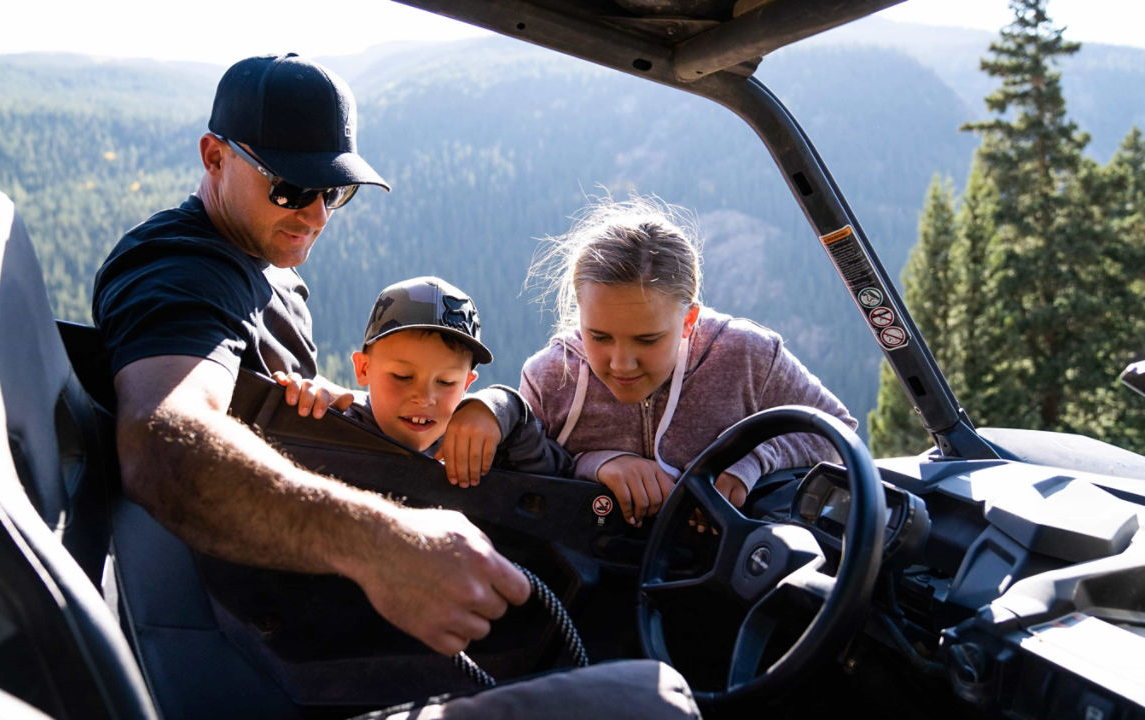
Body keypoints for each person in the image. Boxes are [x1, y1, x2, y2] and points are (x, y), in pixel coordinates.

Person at [92, 54, 699, 717]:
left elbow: (252, 403)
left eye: (334, 192)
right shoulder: (181, 271)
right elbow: (164, 441)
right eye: (290, 189)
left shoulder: (268, 266)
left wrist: (329, 407)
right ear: (214, 157)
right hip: (282, 660)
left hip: (331, 628)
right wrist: (382, 544)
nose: (315, 215)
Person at [522, 195, 857, 526]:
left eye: (647, 339)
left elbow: (838, 434)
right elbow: (518, 468)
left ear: (688, 320)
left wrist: (750, 460)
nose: (622, 363)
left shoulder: (747, 356)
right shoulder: (550, 377)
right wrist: (592, 463)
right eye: (599, 337)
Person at [331, 275, 572, 483]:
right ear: (363, 369)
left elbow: (559, 477)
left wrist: (503, 409)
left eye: (446, 382)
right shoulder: (336, 429)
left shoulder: (479, 444)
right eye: (402, 376)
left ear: (467, 384)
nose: (425, 398)